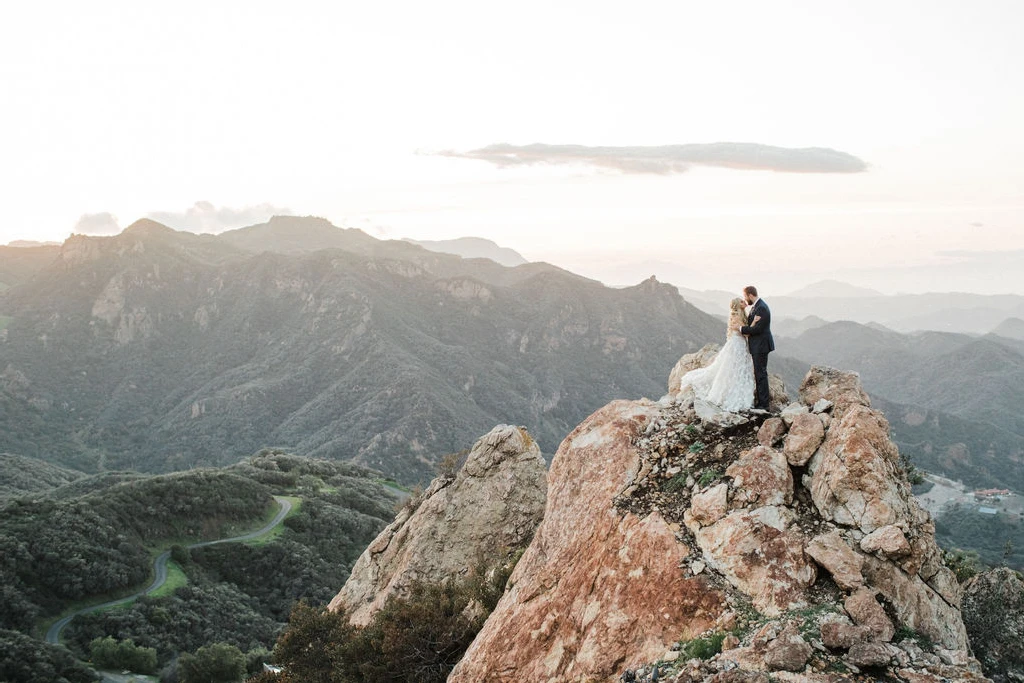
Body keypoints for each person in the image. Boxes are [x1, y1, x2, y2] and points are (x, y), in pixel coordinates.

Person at [678, 297, 755, 412]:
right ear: (737, 305)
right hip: (737, 344)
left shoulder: (741, 314)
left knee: (735, 367)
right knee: (734, 368)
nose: (744, 302)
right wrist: (755, 323)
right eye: (742, 302)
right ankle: (729, 391)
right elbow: (746, 332)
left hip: (739, 343)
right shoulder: (737, 316)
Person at [740, 285, 775, 410]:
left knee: (761, 374)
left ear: (750, 295)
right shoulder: (756, 306)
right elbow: (752, 324)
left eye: (745, 296)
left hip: (761, 346)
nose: (745, 299)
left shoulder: (761, 308)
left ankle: (764, 404)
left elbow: (757, 329)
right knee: (759, 373)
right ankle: (761, 402)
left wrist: (740, 329)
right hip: (758, 346)